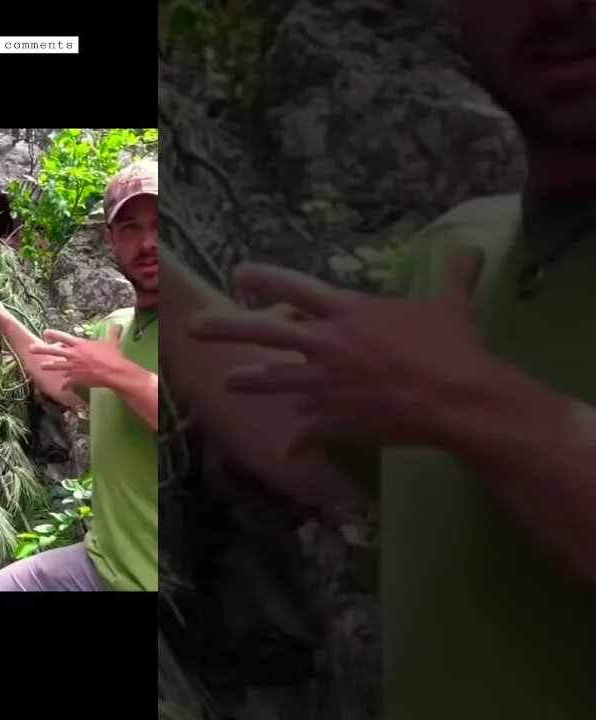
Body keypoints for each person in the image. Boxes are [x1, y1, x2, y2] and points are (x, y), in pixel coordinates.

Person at [159, 1, 596, 717]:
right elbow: (297, 433)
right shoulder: (460, 254)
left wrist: (463, 401)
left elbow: (438, 393)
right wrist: (153, 266)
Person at [0, 159, 160, 592]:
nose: (149, 242)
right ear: (111, 239)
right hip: (98, 565)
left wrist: (120, 373)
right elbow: (59, 381)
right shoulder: (117, 327)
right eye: (130, 227)